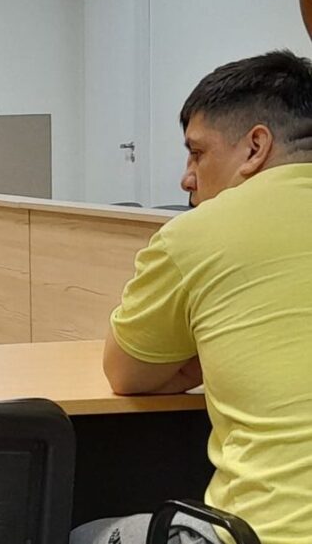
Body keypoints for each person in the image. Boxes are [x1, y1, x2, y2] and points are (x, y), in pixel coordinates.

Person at [71, 50, 312, 544]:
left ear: (255, 147)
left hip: (266, 534)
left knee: (84, 532)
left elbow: (127, 374)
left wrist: (207, 354)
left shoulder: (197, 235)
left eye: (197, 153)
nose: (186, 177)